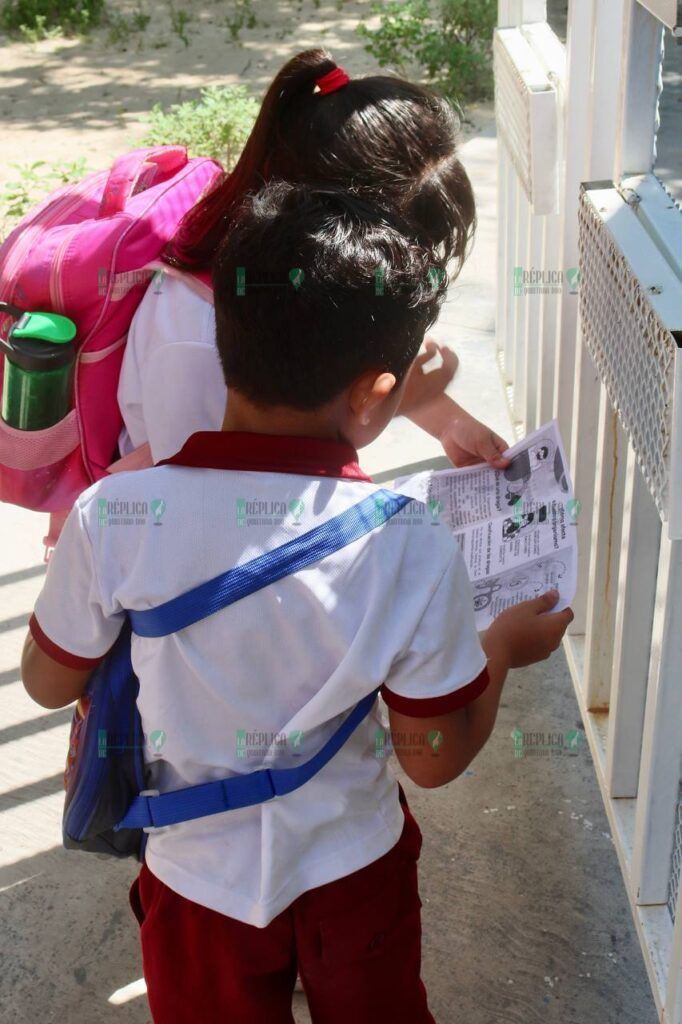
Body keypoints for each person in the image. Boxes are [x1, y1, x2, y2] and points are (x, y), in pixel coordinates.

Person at [22, 183, 573, 1022]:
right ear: (371, 392)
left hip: (194, 881)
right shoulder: (407, 542)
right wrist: (500, 649)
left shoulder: (116, 516)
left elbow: (47, 682)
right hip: (352, 873)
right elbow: (430, 756)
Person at [117, 49, 511, 470]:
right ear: (328, 230)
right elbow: (201, 500)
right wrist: (381, 409)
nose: (404, 267)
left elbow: (325, 364)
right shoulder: (192, 337)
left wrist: (446, 422)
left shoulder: (290, 275)